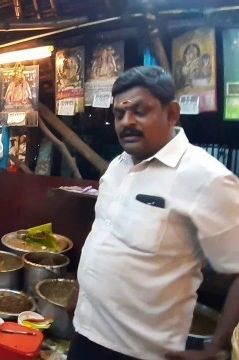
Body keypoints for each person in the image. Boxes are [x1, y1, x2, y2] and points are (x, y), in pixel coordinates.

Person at [68, 66, 239, 360]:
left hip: (141, 353)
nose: (126, 122)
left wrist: (217, 345)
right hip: (85, 333)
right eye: (119, 114)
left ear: (171, 114)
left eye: (140, 111)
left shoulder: (206, 178)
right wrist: (80, 291)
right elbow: (104, 234)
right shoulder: (118, 165)